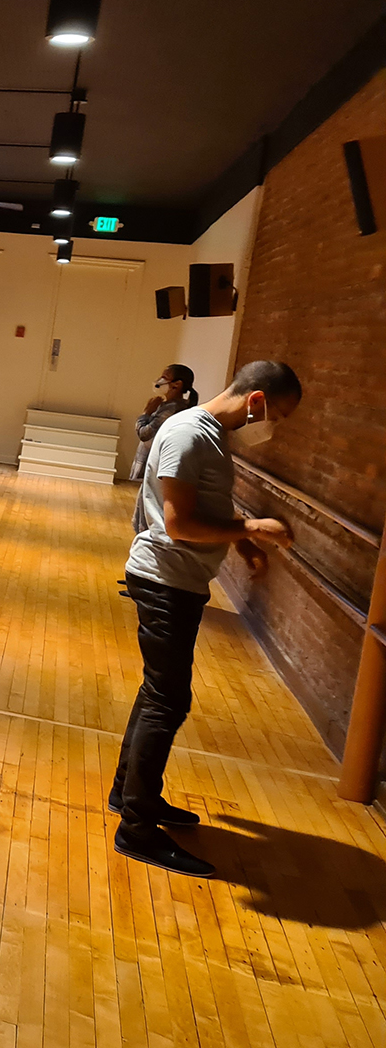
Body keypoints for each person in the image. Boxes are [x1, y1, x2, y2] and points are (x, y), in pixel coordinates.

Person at [111, 361, 299, 878]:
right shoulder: (191, 434)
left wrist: (241, 541)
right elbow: (179, 523)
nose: (273, 426)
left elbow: (207, 505)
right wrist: (254, 526)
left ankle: (128, 793)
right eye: (276, 415)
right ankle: (136, 827)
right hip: (165, 578)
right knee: (168, 699)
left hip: (181, 579)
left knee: (158, 693)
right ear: (256, 400)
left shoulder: (209, 433)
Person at [132, 364, 198, 482]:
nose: (159, 380)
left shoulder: (171, 409)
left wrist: (146, 412)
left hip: (152, 468)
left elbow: (144, 434)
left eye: (164, 377)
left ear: (177, 384)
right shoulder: (167, 406)